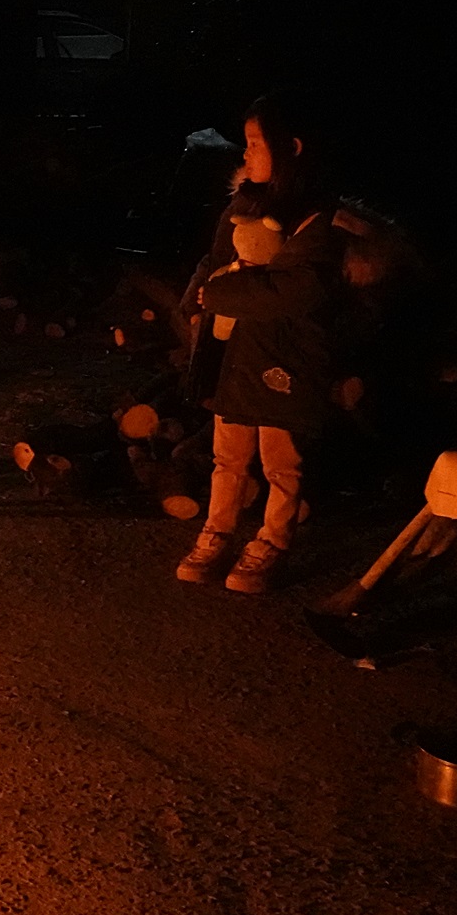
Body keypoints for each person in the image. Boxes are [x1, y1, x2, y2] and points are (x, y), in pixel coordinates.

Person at [176, 95, 345, 593]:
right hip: (234, 354)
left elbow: (298, 287)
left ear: (291, 148)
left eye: (255, 143)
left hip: (283, 357)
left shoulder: (317, 217)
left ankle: (272, 540)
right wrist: (194, 300)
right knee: (227, 456)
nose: (245, 153)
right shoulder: (243, 203)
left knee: (280, 463)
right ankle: (217, 532)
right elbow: (215, 259)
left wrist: (219, 294)